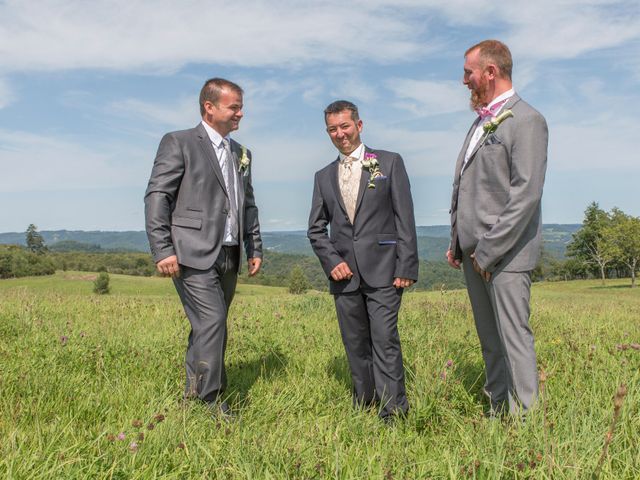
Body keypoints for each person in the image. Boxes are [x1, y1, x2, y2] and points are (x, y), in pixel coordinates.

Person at [145, 77, 262, 417]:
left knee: (208, 325)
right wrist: (162, 248)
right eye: (234, 107)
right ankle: (211, 401)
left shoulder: (242, 153)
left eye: (241, 107)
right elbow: (158, 196)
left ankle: (192, 395)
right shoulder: (178, 142)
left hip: (230, 252)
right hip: (191, 251)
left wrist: (253, 246)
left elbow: (248, 203)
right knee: (213, 322)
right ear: (209, 108)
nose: (240, 113)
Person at [447, 40, 548, 416]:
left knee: (513, 338)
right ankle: (497, 412)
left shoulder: (527, 120)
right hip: (476, 254)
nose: (464, 81)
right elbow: (469, 187)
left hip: (505, 254)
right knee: (490, 340)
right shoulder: (480, 122)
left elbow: (526, 194)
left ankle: (525, 424)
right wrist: (459, 242)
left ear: (490, 72)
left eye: (468, 72)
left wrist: (488, 250)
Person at [308, 100, 418, 422]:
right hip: (344, 276)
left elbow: (404, 218)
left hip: (385, 271)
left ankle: (394, 413)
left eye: (344, 126)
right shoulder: (322, 176)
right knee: (355, 345)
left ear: (359, 125)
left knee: (384, 341)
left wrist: (406, 266)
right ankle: (364, 405)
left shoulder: (388, 163)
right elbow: (315, 229)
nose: (339, 134)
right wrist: (332, 261)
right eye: (332, 129)